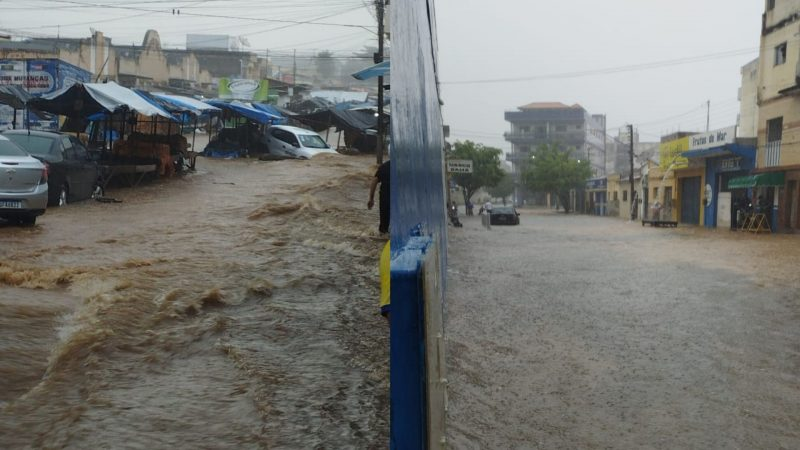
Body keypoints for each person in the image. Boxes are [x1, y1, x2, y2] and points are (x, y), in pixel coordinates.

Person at [368, 160, 390, 234]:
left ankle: (383, 238)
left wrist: (371, 198)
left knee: (384, 224)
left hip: (385, 196)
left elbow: (375, 180)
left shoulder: (384, 166)